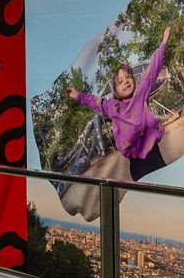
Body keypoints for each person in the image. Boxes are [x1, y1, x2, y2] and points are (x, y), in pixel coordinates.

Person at [67, 25, 172, 180]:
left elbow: (152, 69)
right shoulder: (112, 106)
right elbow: (94, 102)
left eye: (128, 77)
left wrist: (163, 43)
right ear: (115, 91)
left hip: (153, 154)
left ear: (134, 81)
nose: (126, 81)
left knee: (162, 183)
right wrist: (77, 95)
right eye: (120, 81)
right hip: (136, 163)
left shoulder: (141, 93)